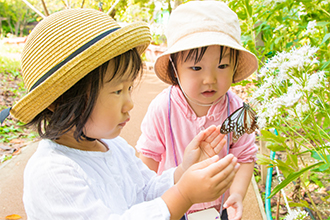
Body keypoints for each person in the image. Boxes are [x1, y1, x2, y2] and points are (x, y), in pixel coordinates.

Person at [0, 8, 240, 220]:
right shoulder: (52, 173)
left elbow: (145, 191)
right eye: (117, 91)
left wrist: (182, 173)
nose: (129, 104)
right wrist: (184, 195)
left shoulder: (113, 147)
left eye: (128, 89)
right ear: (62, 100)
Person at [136, 1, 259, 220]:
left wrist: (238, 194)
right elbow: (148, 157)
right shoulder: (163, 108)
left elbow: (245, 156)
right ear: (175, 67)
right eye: (196, 68)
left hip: (219, 205)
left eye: (222, 66)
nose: (210, 79)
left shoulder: (237, 110)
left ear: (235, 65)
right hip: (174, 203)